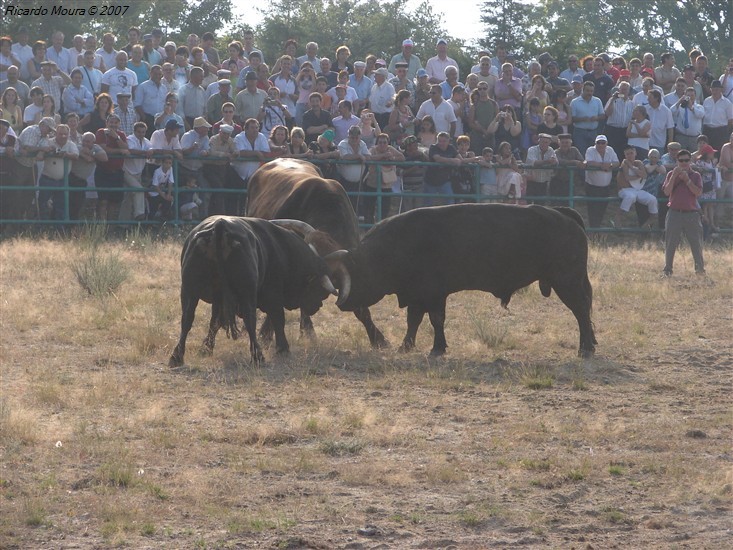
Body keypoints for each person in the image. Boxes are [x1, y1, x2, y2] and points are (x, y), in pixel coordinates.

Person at [661, 149, 704, 275]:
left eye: (686, 160)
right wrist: (674, 176)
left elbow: (698, 193)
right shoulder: (670, 174)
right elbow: (666, 192)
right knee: (670, 243)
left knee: (696, 244)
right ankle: (668, 269)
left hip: (692, 214)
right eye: (681, 160)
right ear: (677, 161)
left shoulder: (696, 175)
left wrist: (687, 180)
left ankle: (700, 270)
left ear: (690, 161)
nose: (684, 163)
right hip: (674, 213)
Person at [36, 123, 79, 221]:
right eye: (60, 134)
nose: (63, 136)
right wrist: (49, 152)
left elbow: (76, 155)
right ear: (56, 133)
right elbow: (39, 156)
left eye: (65, 134)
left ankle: (59, 229)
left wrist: (65, 154)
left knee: (61, 205)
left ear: (68, 134)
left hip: (62, 180)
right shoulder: (48, 142)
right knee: (43, 203)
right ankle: (43, 227)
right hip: (47, 178)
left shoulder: (71, 144)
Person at [94, 113, 129, 220]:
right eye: (111, 122)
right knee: (103, 201)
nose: (113, 125)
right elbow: (103, 149)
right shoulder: (101, 133)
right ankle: (101, 227)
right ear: (107, 123)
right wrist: (119, 151)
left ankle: (110, 228)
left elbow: (126, 148)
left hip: (117, 172)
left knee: (113, 202)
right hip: (103, 171)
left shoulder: (121, 135)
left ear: (119, 124)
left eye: (115, 122)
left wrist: (116, 138)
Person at [364, 132, 404, 223]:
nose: (382, 144)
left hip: (386, 185)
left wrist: (392, 158)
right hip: (372, 184)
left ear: (388, 143)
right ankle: (369, 230)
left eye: (384, 142)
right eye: (380, 142)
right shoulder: (373, 149)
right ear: (377, 143)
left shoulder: (390, 149)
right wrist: (382, 156)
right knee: (369, 209)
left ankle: (381, 228)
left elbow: (402, 158)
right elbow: (368, 158)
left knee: (385, 209)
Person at [614, 145, 657, 227]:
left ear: (635, 153)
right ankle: (618, 217)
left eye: (631, 153)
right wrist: (638, 175)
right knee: (630, 196)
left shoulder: (638, 163)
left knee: (653, 199)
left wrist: (631, 167)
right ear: (625, 155)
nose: (630, 155)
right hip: (625, 189)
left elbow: (644, 175)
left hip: (637, 190)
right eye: (627, 154)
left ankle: (649, 221)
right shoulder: (624, 163)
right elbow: (627, 178)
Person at [232, 118, 269, 212]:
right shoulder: (239, 137)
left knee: (253, 198)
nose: (255, 130)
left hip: (254, 174)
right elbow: (240, 152)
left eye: (257, 127)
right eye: (252, 128)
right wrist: (256, 153)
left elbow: (265, 152)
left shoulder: (261, 137)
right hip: (238, 174)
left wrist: (254, 153)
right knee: (236, 198)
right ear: (246, 129)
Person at [584, 134, 619, 228]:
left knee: (602, 209)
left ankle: (597, 229)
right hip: (592, 186)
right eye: (598, 143)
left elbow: (617, 163)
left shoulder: (610, 150)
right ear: (595, 143)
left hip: (605, 187)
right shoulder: (590, 150)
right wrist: (602, 165)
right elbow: (589, 162)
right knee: (592, 209)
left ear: (606, 143)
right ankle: (593, 230)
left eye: (602, 143)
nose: (600, 145)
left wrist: (610, 166)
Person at [120, 121, 151, 221]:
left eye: (143, 132)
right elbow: (131, 150)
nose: (141, 134)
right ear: (134, 131)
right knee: (139, 189)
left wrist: (151, 151)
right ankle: (139, 214)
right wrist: (145, 152)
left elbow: (151, 149)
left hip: (138, 173)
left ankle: (123, 224)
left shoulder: (146, 141)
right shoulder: (130, 139)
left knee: (128, 198)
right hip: (127, 172)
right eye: (139, 132)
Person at [337, 124, 370, 214]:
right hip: (344, 181)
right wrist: (359, 156)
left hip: (359, 182)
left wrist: (362, 157)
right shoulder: (342, 144)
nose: (354, 140)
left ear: (360, 137)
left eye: (356, 138)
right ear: (348, 136)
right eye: (352, 138)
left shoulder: (362, 144)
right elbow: (345, 156)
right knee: (344, 204)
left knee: (357, 204)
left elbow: (368, 156)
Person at [424, 131, 461, 206]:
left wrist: (474, 159)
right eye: (439, 141)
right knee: (428, 204)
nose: (441, 143)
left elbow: (460, 160)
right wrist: (452, 160)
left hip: (444, 181)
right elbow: (438, 159)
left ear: (448, 141)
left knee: (450, 201)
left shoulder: (451, 148)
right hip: (430, 181)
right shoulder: (433, 147)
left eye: (444, 141)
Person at [550, 133, 584, 205]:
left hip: (571, 181)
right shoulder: (556, 152)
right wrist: (574, 162)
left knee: (569, 204)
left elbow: (582, 160)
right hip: (557, 182)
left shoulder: (574, 150)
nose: (565, 144)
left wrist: (584, 163)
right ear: (559, 143)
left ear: (571, 143)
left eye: (567, 142)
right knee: (556, 204)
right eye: (563, 142)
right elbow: (559, 161)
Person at [571, 81, 604, 154]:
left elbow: (602, 116)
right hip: (579, 132)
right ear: (583, 90)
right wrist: (582, 119)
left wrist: (596, 118)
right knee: (581, 153)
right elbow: (572, 119)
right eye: (587, 90)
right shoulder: (575, 102)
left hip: (593, 132)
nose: (589, 93)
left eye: (591, 91)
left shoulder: (597, 101)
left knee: (594, 154)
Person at [604, 82, 634, 158]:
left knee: (622, 153)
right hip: (612, 130)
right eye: (622, 89)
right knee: (611, 152)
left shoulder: (631, 103)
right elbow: (607, 113)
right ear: (619, 90)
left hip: (624, 131)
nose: (624, 91)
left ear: (628, 91)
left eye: (625, 89)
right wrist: (613, 99)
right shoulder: (613, 100)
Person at [525, 133, 558, 202]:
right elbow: (534, 163)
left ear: (549, 143)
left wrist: (553, 162)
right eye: (542, 142)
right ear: (538, 141)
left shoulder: (551, 150)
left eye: (546, 142)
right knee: (529, 204)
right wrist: (548, 161)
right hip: (531, 181)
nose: (544, 144)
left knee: (541, 205)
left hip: (543, 182)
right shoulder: (532, 149)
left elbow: (556, 162)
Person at [397, 134, 427, 212]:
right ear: (408, 146)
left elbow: (428, 164)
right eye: (413, 145)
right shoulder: (402, 157)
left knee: (419, 210)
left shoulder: (421, 156)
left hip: (419, 187)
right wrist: (413, 168)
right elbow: (399, 172)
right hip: (407, 188)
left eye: (416, 144)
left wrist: (421, 155)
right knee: (407, 211)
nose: (415, 146)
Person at [670, 86, 704, 151]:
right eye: (688, 95)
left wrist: (691, 107)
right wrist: (679, 101)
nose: (690, 97)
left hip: (694, 138)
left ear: (695, 96)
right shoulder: (680, 107)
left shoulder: (699, 107)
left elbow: (700, 115)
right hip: (681, 136)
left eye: (692, 95)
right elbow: (671, 111)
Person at [695, 143, 719, 235]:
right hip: (704, 186)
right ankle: (706, 222)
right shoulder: (700, 162)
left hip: (711, 186)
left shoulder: (712, 162)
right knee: (705, 204)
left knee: (710, 204)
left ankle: (711, 223)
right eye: (711, 152)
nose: (713, 154)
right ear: (706, 154)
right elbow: (697, 170)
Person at [702, 81, 733, 151]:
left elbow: (730, 120)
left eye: (717, 90)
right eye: (713, 90)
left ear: (721, 90)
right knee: (706, 152)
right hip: (707, 130)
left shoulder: (727, 103)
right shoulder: (706, 101)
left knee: (719, 151)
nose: (714, 92)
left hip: (720, 131)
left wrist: (725, 131)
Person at [148, 155, 174, 219]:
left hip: (162, 192)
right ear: (162, 163)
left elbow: (171, 182)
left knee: (168, 202)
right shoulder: (157, 171)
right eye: (166, 163)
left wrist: (168, 194)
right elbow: (155, 185)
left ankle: (163, 219)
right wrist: (164, 196)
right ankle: (149, 223)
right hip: (153, 193)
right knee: (153, 209)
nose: (168, 165)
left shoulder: (170, 169)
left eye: (170, 163)